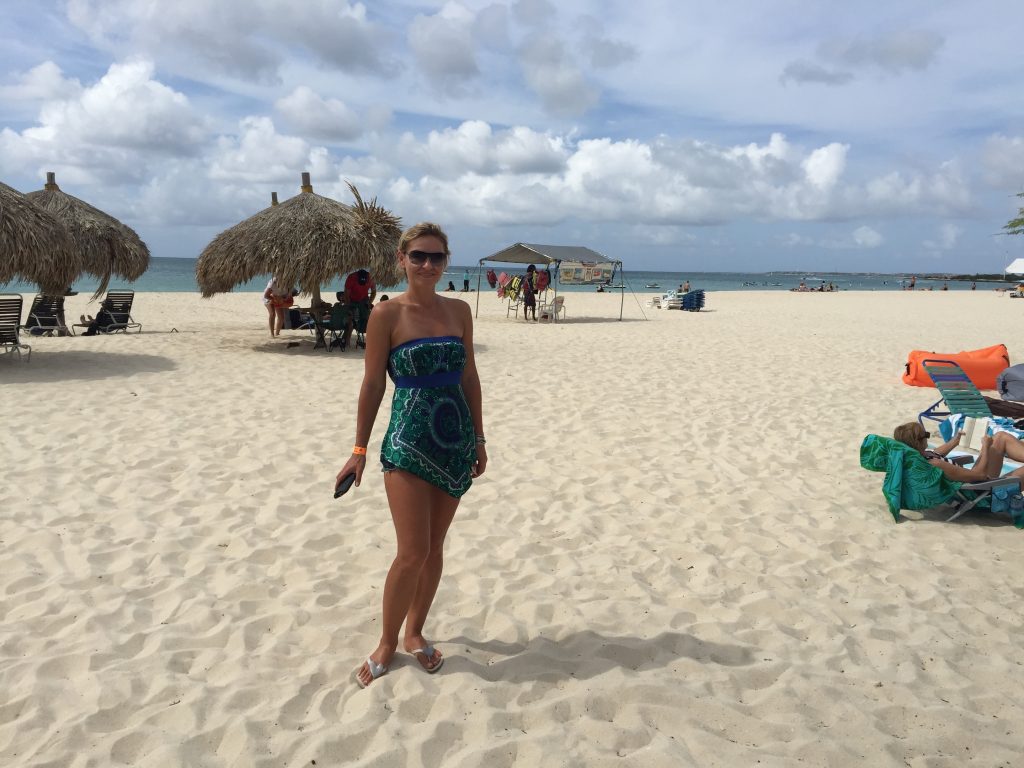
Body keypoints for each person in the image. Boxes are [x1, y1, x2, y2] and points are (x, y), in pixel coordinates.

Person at [336, 222, 487, 689]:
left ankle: (415, 633)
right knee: (411, 552)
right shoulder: (386, 314)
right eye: (418, 256)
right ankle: (387, 641)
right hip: (407, 440)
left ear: (446, 262)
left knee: (435, 548)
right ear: (401, 259)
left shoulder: (459, 311)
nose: (427, 264)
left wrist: (480, 438)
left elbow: (469, 377)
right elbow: (373, 384)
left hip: (454, 440)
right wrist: (358, 449)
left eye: (436, 257)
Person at [893, 422, 1024, 482]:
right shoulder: (935, 464)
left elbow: (934, 452)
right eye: (926, 435)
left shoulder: (918, 457)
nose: (928, 436)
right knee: (998, 439)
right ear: (917, 443)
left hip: (976, 482)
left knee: (1000, 437)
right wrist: (985, 447)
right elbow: (979, 475)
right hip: (982, 490)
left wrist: (955, 441)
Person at [343, 269, 377, 348]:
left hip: (364, 300)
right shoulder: (351, 278)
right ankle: (347, 341)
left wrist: (369, 303)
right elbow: (346, 294)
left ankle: (370, 341)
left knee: (367, 320)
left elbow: (374, 292)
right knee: (350, 320)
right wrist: (348, 306)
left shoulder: (371, 278)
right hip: (352, 299)